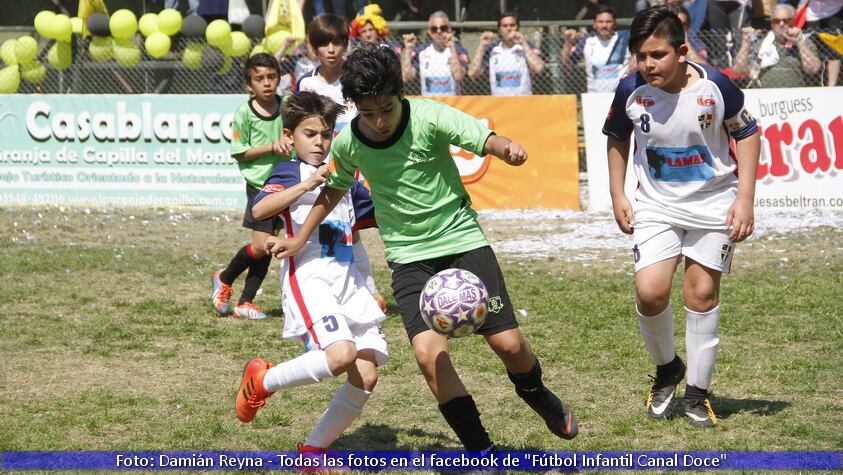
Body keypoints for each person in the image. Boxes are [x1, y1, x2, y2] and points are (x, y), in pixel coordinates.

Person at [267, 44, 579, 451]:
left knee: (509, 345)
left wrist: (508, 150)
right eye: (368, 112)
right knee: (430, 357)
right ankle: (481, 449)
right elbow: (333, 191)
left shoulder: (430, 115)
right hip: (409, 259)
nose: (379, 121)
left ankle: (535, 392)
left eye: (387, 109)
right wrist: (300, 236)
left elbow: (484, 138)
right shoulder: (349, 144)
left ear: (401, 94)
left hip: (461, 241)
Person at [603, 6, 760, 428]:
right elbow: (617, 138)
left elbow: (746, 133)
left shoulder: (716, 86)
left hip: (713, 205)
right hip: (655, 205)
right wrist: (618, 193)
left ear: (682, 50)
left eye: (657, 54)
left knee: (701, 294)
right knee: (650, 293)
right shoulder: (629, 91)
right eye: (640, 55)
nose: (648, 64)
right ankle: (668, 368)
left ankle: (697, 395)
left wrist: (744, 199)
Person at [235, 92, 388, 457]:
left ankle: (313, 453)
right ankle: (262, 380)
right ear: (290, 137)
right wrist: (306, 185)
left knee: (366, 374)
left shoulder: (345, 178)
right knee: (340, 356)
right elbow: (261, 208)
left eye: (326, 134)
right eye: (310, 134)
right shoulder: (290, 171)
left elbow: (372, 220)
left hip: (349, 279)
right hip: (310, 275)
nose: (319, 142)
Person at [295, 13, 387, 311]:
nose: (332, 49)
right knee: (336, 227)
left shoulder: (356, 79)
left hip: (358, 164)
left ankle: (369, 291)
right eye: (324, 43)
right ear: (314, 47)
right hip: (323, 169)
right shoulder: (306, 82)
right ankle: (351, 290)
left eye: (337, 42)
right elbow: (299, 123)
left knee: (357, 227)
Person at [212, 53, 291, 320]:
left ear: (279, 78)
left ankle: (246, 302)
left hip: (283, 185)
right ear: (249, 84)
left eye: (271, 77)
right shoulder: (244, 113)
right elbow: (238, 152)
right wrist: (271, 146)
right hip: (259, 186)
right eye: (259, 79)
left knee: (268, 244)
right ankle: (224, 278)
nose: (266, 83)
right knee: (260, 246)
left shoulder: (288, 105)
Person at [732, 4, 821, 87]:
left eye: (786, 20)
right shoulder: (762, 45)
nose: (781, 24)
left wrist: (800, 43)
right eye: (776, 21)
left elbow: (813, 69)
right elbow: (738, 70)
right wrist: (746, 43)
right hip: (768, 99)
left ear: (793, 22)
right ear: (772, 24)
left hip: (796, 99)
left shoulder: (805, 43)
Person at [467, 12, 545, 96]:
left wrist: (524, 43)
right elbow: (472, 73)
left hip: (523, 101)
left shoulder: (526, 46)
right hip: (499, 103)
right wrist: (482, 46)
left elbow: (539, 69)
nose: (509, 28)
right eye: (504, 26)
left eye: (512, 25)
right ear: (499, 30)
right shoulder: (492, 49)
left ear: (517, 28)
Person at [560, 5, 633, 93]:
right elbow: (567, 64)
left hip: (620, 96)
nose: (604, 25)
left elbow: (640, 55)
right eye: (600, 22)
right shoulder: (587, 40)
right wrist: (568, 42)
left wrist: (632, 66)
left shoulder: (625, 38)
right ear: (594, 24)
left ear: (615, 24)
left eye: (608, 21)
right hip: (594, 97)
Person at [401, 11, 469, 96]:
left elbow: (458, 77)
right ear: (429, 31)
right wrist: (408, 49)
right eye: (434, 29)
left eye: (443, 28)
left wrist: (452, 48)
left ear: (449, 29)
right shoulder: (421, 51)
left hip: (452, 104)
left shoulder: (458, 50)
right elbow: (406, 77)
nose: (439, 31)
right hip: (429, 105)